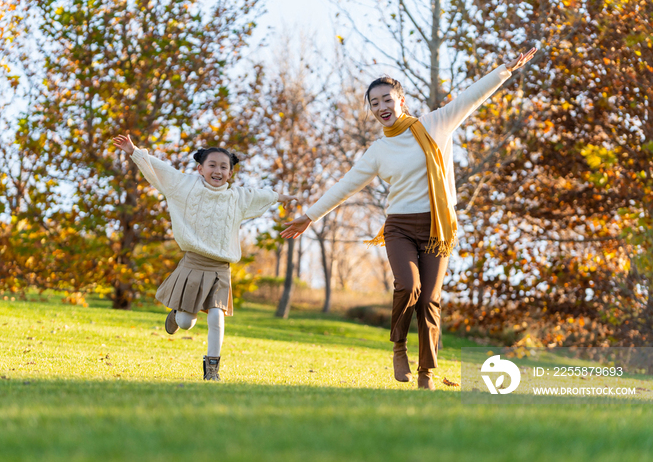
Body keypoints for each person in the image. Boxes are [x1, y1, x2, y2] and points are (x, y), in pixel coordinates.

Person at [281, 48, 537, 390]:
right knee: (409, 287)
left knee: (430, 300)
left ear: (401, 100)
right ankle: (399, 345)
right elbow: (345, 186)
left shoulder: (435, 124)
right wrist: (309, 216)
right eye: (374, 103)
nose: (381, 107)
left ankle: (425, 374)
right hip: (399, 227)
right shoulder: (377, 151)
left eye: (387, 99)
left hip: (436, 228)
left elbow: (471, 96)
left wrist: (504, 70)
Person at [113, 134, 295, 381]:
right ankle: (178, 315)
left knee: (217, 319)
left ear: (230, 173)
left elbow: (263, 194)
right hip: (193, 263)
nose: (218, 170)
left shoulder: (237, 198)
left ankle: (212, 369)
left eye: (224, 167)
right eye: (212, 165)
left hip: (221, 269)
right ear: (200, 168)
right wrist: (134, 151)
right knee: (187, 322)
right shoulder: (184, 185)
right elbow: (160, 169)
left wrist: (284, 198)